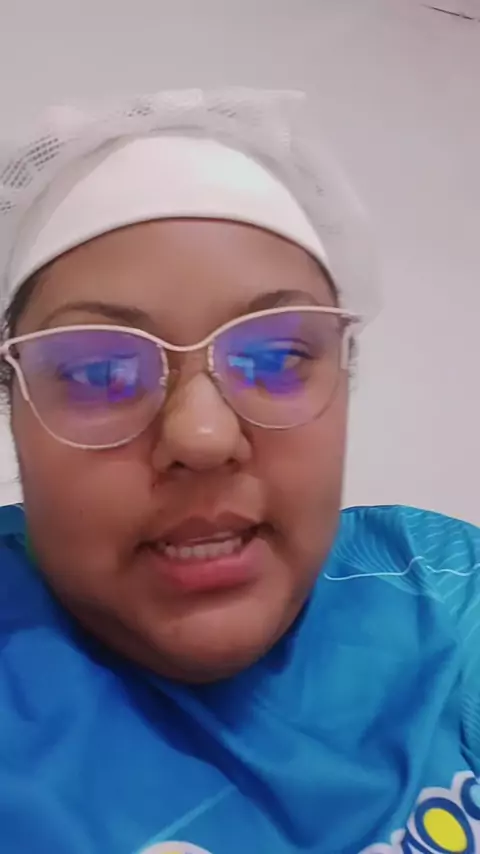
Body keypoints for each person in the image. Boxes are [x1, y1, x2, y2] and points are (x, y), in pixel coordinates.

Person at [0, 87, 478, 854]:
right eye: (98, 372)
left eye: (277, 356)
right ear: (14, 407)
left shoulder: (443, 593)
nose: (203, 436)